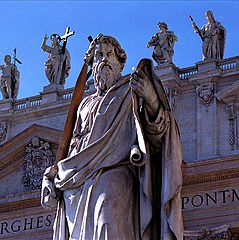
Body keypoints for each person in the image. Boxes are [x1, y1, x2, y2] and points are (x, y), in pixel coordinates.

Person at [41, 34, 183, 240]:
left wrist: (151, 99)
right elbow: (74, 148)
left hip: (115, 171)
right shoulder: (85, 105)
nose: (104, 59)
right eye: (99, 55)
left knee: (106, 218)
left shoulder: (131, 90)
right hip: (80, 181)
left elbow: (158, 133)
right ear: (93, 62)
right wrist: (54, 175)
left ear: (120, 62)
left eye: (110, 54)